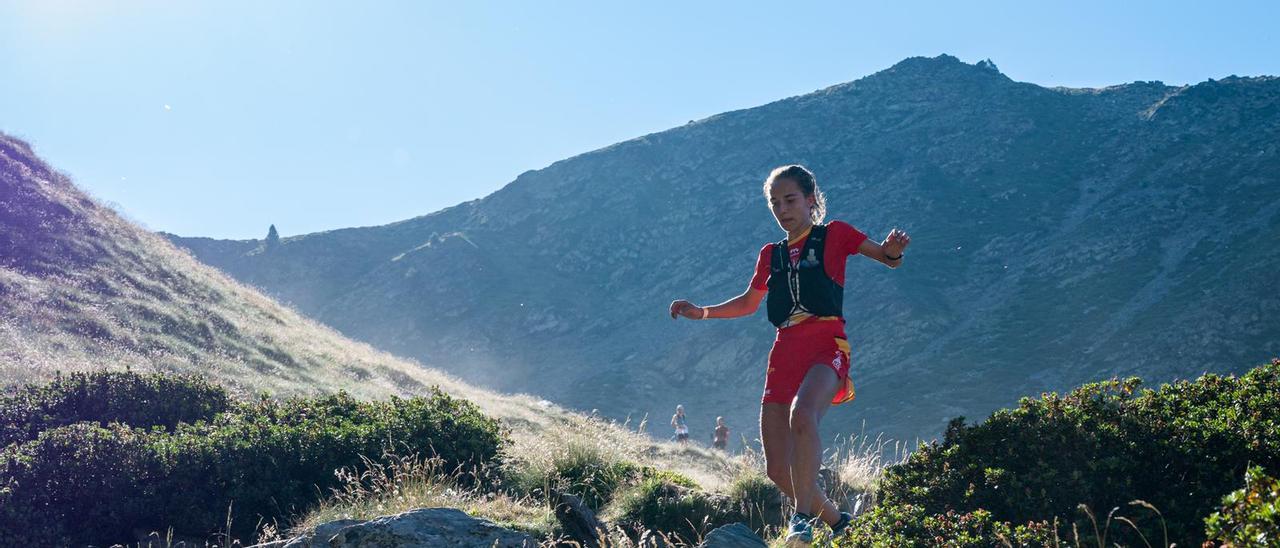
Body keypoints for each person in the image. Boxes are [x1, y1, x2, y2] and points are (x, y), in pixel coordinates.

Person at [668, 165, 909, 545]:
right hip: (784, 351)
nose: (782, 209)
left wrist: (893, 253)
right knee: (778, 468)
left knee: (803, 414)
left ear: (811, 200)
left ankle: (800, 519)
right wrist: (702, 312)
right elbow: (750, 302)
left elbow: (884, 255)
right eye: (774, 202)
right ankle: (839, 522)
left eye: (790, 199)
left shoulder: (836, 235)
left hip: (827, 343)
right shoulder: (771, 254)